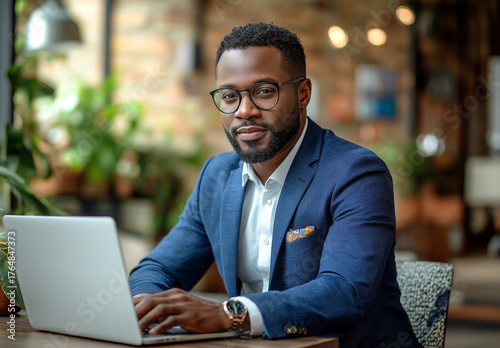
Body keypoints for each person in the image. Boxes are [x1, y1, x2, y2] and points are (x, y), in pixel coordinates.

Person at [129, 22, 421, 348]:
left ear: (303, 94)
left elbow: (344, 293)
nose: (244, 111)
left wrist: (230, 314)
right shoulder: (217, 176)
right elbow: (159, 268)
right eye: (229, 96)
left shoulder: (356, 174)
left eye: (264, 91)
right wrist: (147, 305)